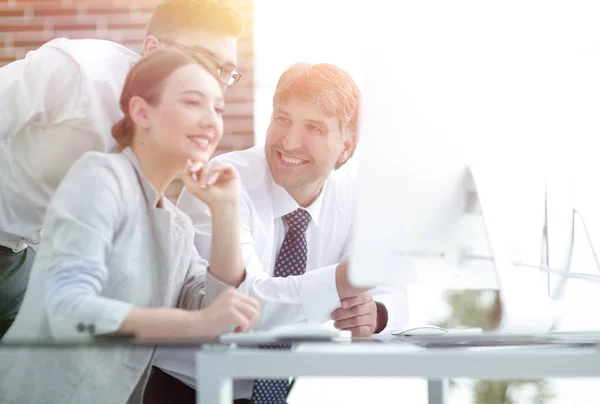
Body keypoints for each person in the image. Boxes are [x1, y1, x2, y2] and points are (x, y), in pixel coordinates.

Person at [0, 48, 258, 404]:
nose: (211, 120)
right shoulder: (99, 177)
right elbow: (68, 310)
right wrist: (199, 324)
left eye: (218, 109)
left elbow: (220, 318)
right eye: (193, 102)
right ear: (141, 112)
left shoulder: (176, 227)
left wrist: (226, 210)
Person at [152, 63, 410, 403]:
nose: (289, 142)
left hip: (271, 393)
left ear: (346, 146)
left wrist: (376, 313)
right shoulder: (223, 183)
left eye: (314, 128)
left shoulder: (353, 199)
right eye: (283, 119)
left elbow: (394, 288)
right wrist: (341, 283)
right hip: (180, 387)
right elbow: (241, 309)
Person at [0, 0, 243, 338]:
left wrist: (226, 210)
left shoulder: (163, 159)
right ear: (151, 49)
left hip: (22, 257)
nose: (213, 81)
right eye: (203, 59)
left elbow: (209, 303)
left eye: (225, 72)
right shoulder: (78, 72)